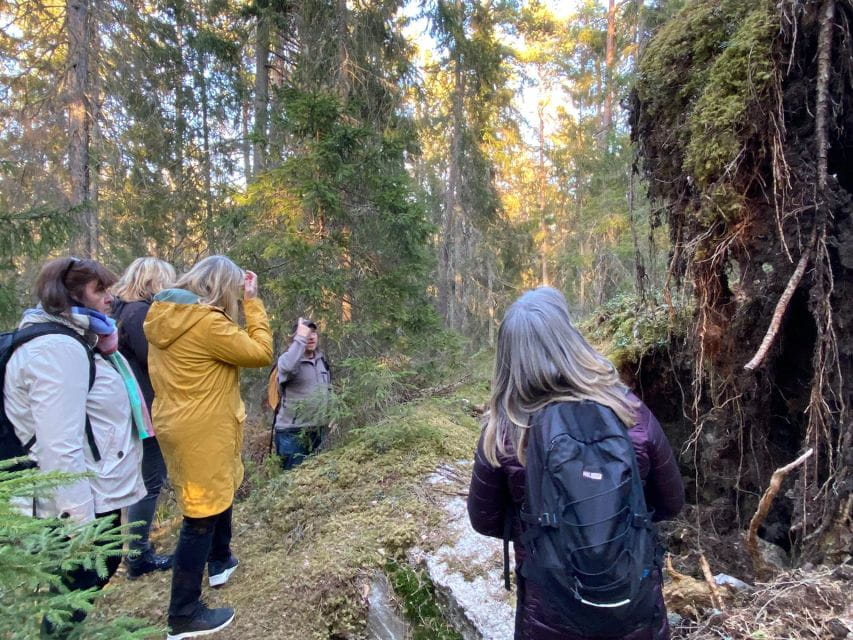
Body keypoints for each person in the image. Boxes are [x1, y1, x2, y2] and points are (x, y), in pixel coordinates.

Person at [467, 287, 684, 640]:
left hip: (549, 613)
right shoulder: (629, 413)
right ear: (570, 339)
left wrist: (544, 527)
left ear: (508, 358)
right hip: (634, 607)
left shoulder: (504, 433)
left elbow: (484, 520)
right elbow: (671, 503)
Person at [2, 256, 147, 634]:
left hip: (92, 487)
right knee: (71, 594)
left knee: (78, 590)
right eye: (100, 290)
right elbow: (58, 444)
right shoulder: (57, 349)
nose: (109, 298)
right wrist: (79, 523)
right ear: (70, 296)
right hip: (77, 499)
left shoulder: (77, 340)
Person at [144, 255, 273, 640]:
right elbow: (260, 352)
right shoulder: (206, 323)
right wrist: (253, 303)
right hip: (201, 427)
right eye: (234, 291)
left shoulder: (164, 315)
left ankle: (220, 561)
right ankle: (183, 614)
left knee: (220, 490)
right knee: (200, 516)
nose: (236, 297)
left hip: (182, 422)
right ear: (222, 288)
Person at [112, 257, 177, 578]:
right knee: (149, 483)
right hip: (145, 412)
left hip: (133, 409)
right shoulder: (138, 314)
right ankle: (138, 557)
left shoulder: (122, 311)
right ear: (153, 282)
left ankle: (136, 554)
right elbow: (155, 362)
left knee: (143, 482)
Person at [272, 317, 331, 470]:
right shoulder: (286, 361)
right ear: (296, 338)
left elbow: (327, 390)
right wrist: (300, 339)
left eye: (313, 333)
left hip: (318, 431)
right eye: (306, 334)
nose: (311, 337)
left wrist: (330, 416)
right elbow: (289, 367)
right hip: (292, 434)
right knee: (292, 484)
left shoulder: (321, 360)